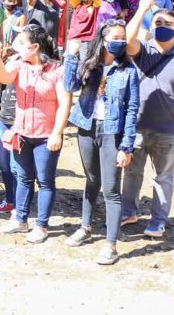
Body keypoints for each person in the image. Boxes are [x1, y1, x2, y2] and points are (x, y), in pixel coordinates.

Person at [63, 20, 139, 265]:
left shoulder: (128, 71)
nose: (120, 41)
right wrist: (71, 56)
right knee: (91, 180)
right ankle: (85, 227)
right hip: (87, 127)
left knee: (111, 189)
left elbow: (132, 110)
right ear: (103, 39)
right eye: (115, 37)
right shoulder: (90, 64)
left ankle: (111, 244)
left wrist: (126, 146)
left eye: (122, 37)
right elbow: (69, 85)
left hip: (112, 132)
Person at [0, 24, 69, 243]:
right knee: (23, 178)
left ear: (34, 47)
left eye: (21, 42)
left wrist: (57, 133)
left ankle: (42, 225)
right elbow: (3, 77)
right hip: (22, 132)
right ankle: (21, 219)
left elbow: (64, 103)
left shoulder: (57, 70)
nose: (17, 45)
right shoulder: (18, 64)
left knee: (45, 181)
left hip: (46, 135)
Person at [122, 0, 174, 238]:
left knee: (163, 177)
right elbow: (127, 39)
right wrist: (142, 9)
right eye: (158, 21)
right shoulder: (143, 50)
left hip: (168, 128)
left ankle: (158, 220)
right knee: (132, 172)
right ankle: (128, 212)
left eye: (167, 22)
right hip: (137, 126)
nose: (162, 24)